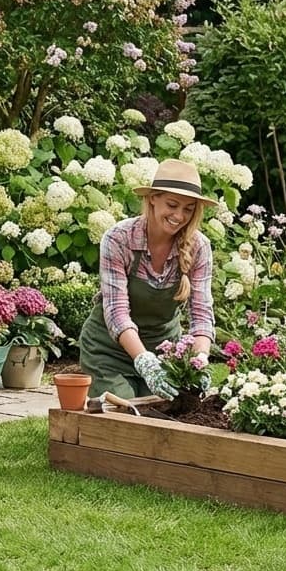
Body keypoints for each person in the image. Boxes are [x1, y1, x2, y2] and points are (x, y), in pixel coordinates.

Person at [78, 158, 215, 399]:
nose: (179, 216)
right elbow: (116, 312)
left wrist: (200, 359)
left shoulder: (199, 247)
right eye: (172, 205)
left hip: (163, 352)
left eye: (188, 209)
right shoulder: (119, 239)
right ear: (152, 198)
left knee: (165, 412)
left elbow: (201, 314)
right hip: (108, 351)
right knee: (125, 411)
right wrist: (143, 360)